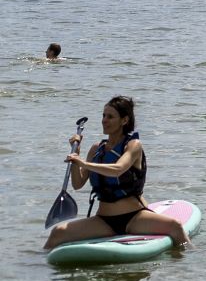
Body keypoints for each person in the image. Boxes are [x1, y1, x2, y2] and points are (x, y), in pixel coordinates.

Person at [43, 96, 189, 252]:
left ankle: (189, 258)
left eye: (110, 117)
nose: (104, 120)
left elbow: (119, 169)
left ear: (124, 120)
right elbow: (77, 184)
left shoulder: (133, 145)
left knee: (175, 227)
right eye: (103, 116)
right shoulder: (96, 148)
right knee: (57, 233)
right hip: (104, 221)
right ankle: (39, 265)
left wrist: (83, 163)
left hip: (134, 217)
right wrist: (75, 156)